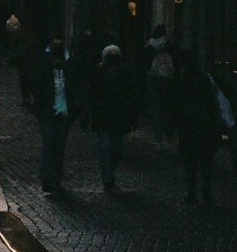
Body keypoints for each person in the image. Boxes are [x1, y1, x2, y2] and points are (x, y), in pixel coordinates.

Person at [30, 34, 77, 195]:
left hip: (63, 112)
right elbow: (37, 86)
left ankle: (55, 179)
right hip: (49, 112)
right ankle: (49, 179)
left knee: (58, 145)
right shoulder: (44, 65)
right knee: (51, 143)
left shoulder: (68, 66)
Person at [87, 44, 136, 194]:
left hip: (118, 117)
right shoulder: (98, 73)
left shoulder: (125, 74)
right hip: (103, 117)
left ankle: (109, 173)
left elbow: (131, 96)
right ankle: (108, 179)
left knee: (116, 149)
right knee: (105, 148)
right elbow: (92, 94)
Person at [176, 55, 223, 205]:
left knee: (191, 162)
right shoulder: (205, 80)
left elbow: (179, 106)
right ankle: (206, 191)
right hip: (205, 127)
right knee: (205, 161)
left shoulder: (184, 82)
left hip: (190, 127)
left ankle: (192, 191)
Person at [145, 22, 178, 139]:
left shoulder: (149, 45)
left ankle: (157, 136)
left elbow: (145, 63)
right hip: (167, 79)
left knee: (156, 108)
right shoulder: (169, 45)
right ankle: (168, 133)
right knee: (167, 107)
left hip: (152, 79)